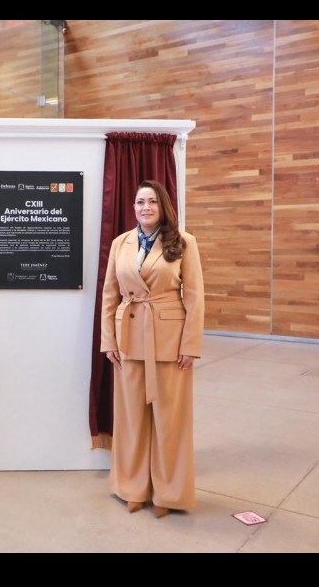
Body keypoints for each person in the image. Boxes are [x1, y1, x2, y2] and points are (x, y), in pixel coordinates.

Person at [100, 179, 205, 518]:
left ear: (163, 207)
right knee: (130, 418)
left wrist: (190, 344)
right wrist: (108, 340)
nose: (145, 207)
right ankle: (132, 487)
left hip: (169, 339)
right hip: (129, 336)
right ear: (133, 207)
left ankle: (168, 493)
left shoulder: (183, 242)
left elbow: (195, 297)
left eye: (152, 202)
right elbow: (109, 294)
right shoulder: (121, 243)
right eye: (140, 202)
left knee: (169, 419)